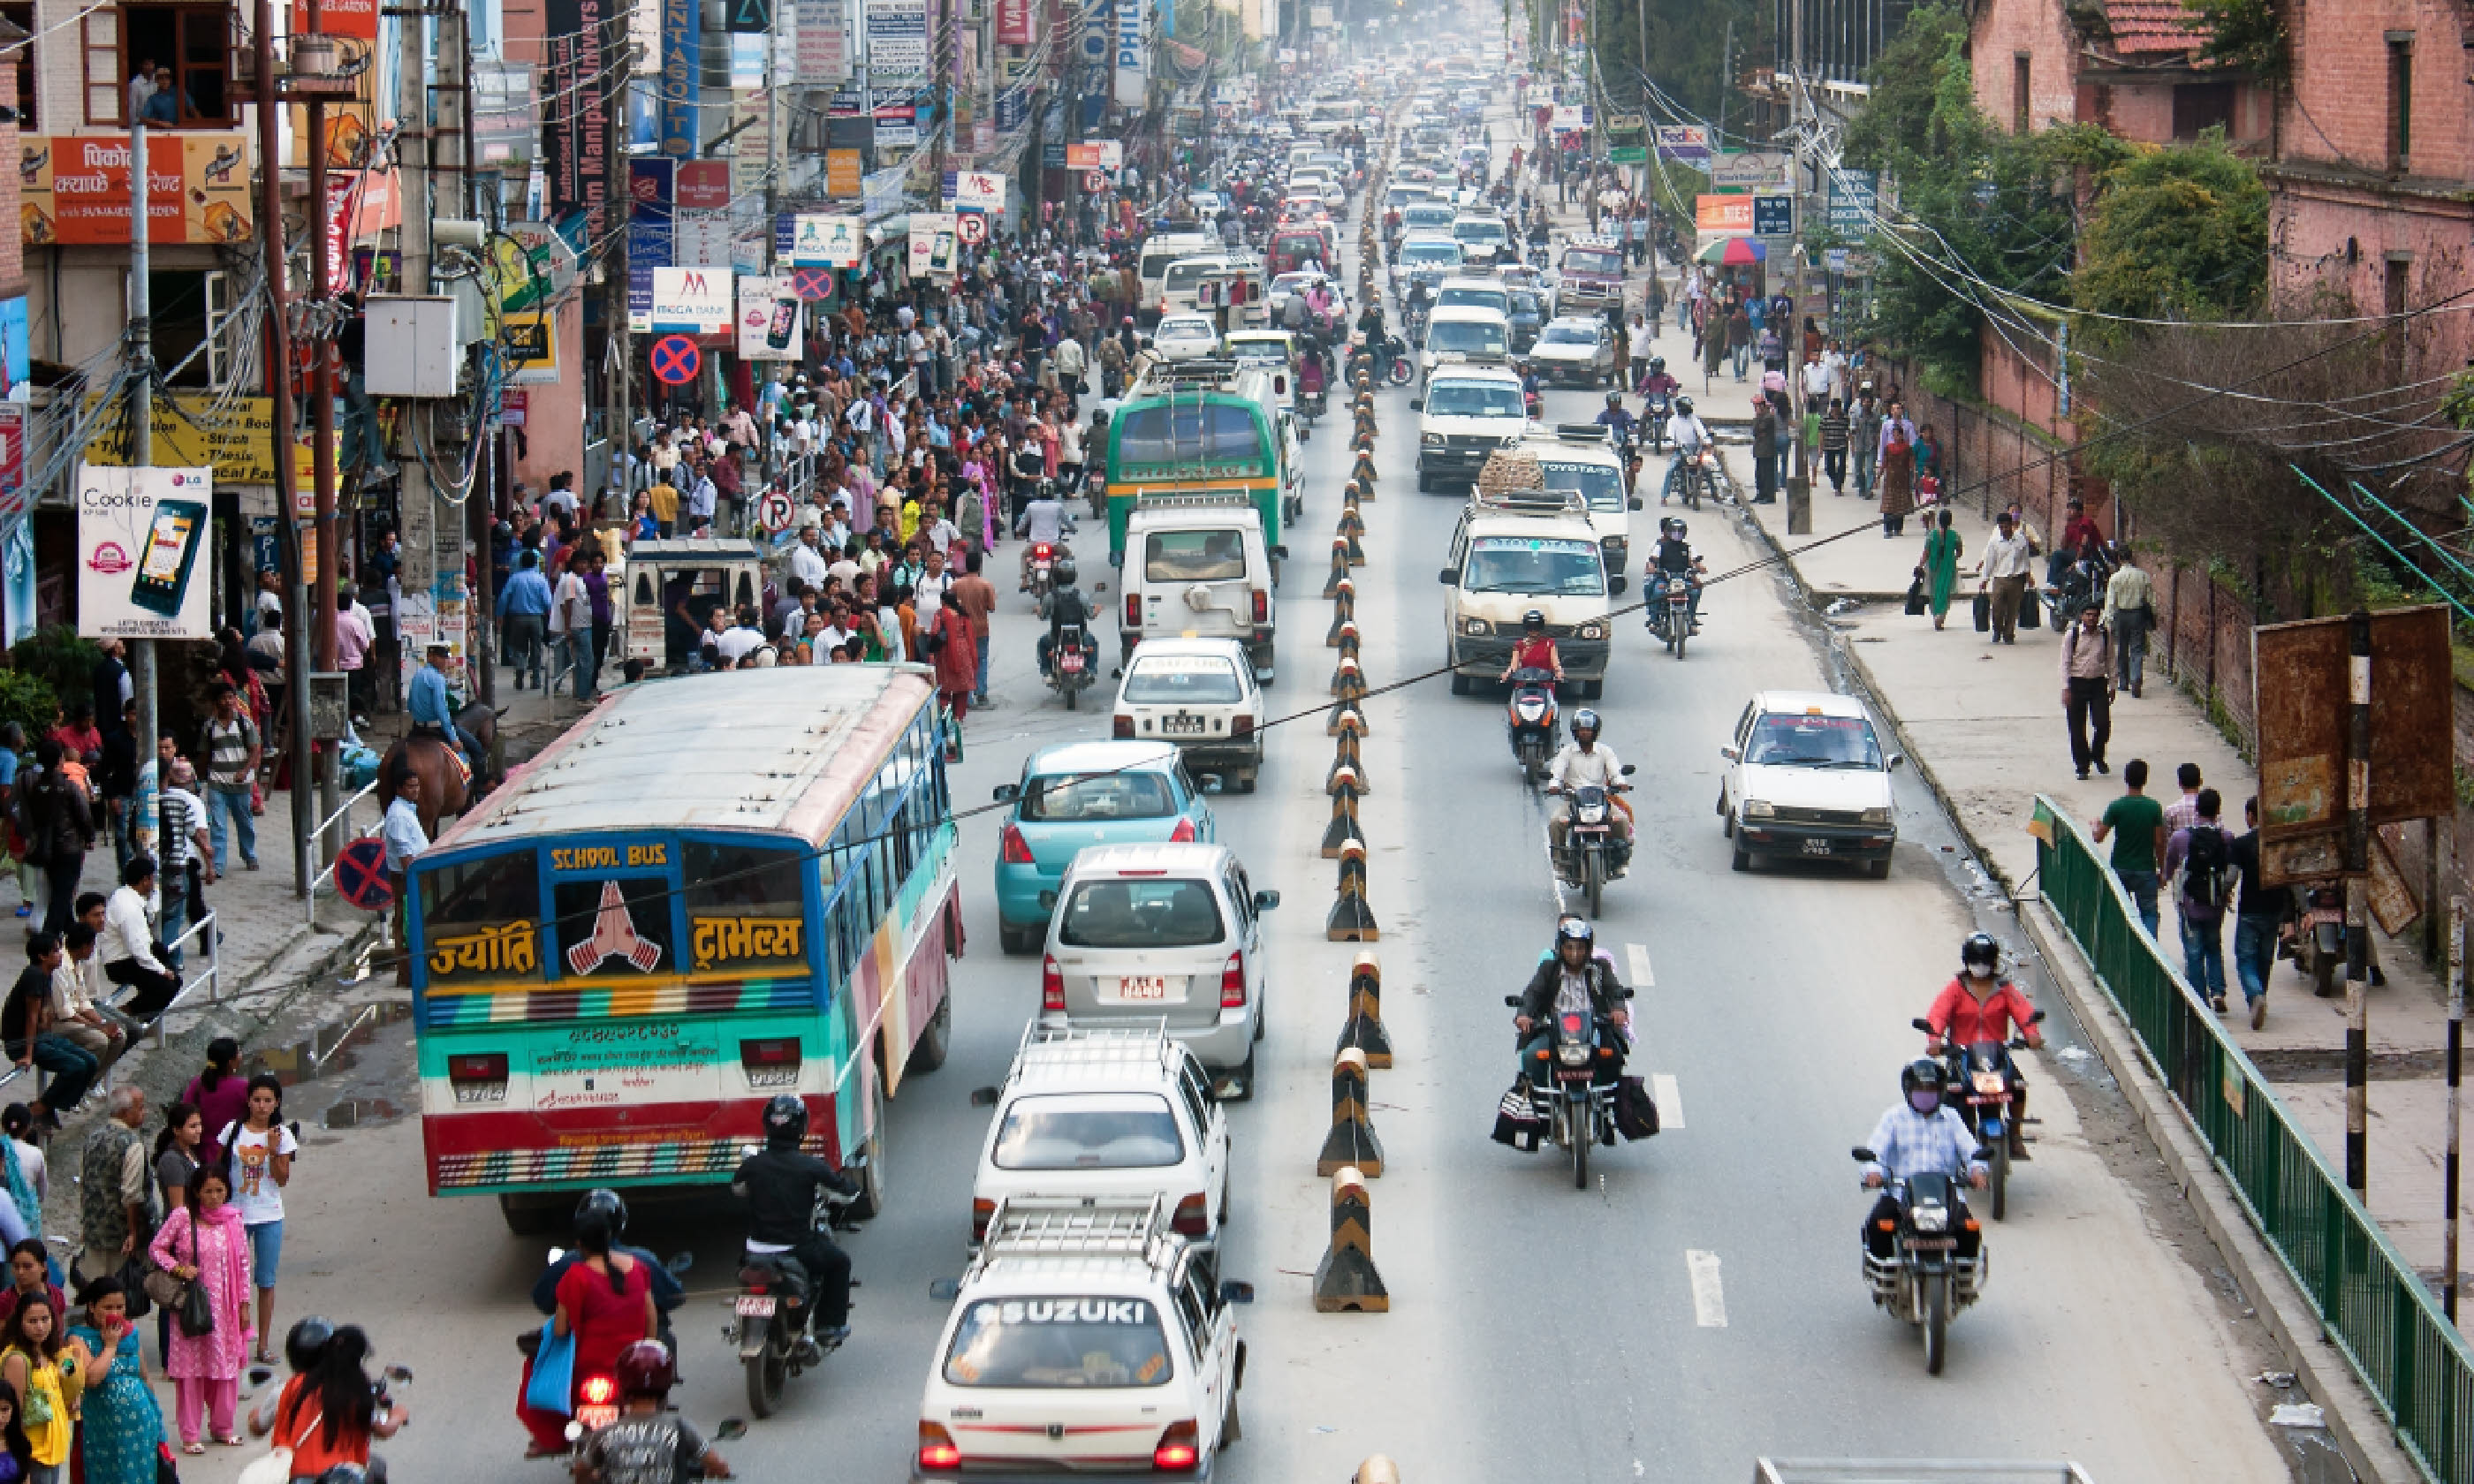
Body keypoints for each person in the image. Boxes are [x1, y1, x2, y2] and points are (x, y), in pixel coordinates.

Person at [517, 1192, 655, 1456]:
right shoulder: (638, 1268)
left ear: (579, 1244)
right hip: (631, 1364)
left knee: (535, 1367)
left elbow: (560, 1330)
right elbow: (650, 1315)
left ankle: (553, 1439)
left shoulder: (576, 1275)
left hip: (589, 1366)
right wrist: (645, 1349)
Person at [730, 1095, 859, 1352]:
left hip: (755, 1250)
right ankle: (829, 1326)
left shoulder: (752, 1165)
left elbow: (738, 1189)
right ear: (801, 1128)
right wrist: (852, 1186)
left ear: (768, 1125)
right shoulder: (811, 1167)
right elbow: (846, 1193)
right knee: (839, 1262)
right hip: (797, 1247)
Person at [148, 1166, 253, 1453]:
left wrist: (244, 1305)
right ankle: (190, 1434)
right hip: (191, 1308)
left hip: (226, 1310)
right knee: (191, 1372)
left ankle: (223, 1428)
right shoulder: (182, 1217)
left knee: (225, 1369)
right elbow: (156, 1249)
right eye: (208, 1191)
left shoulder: (233, 1221)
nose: (215, 1197)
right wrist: (179, 1269)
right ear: (196, 1192)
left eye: (220, 1190)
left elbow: (243, 1265)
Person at [1922, 932, 2044, 1157]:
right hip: (1962, 1056)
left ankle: (2015, 1137)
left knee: (2017, 1086)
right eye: (1976, 961)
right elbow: (1938, 1014)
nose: (1980, 966)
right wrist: (1935, 1039)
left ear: (1993, 962)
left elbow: (2023, 1011)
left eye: (1985, 961)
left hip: (1995, 1056)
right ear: (1967, 961)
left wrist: (2032, 1033)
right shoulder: (1956, 989)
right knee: (1953, 1094)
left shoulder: (2004, 988)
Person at [1859, 1060, 1987, 1261]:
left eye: (1932, 1089)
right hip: (1900, 1194)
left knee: (1969, 1232)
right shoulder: (1894, 1118)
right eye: (1920, 1089)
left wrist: (1977, 1171)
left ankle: (1963, 1286)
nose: (1926, 1094)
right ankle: (1884, 1283)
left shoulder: (1951, 1118)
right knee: (1877, 1226)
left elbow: (1972, 1151)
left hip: (1946, 1196)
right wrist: (1874, 1173)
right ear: (1908, 1090)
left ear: (1941, 1091)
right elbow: (1875, 1152)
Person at [574, 1340, 732, 1483]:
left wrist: (593, 1477)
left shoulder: (604, 1434)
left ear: (622, 1384)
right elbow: (716, 1464)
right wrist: (719, 1470)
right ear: (667, 1383)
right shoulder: (680, 1428)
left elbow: (581, 1471)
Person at [221, 1075, 295, 1364]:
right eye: (256, 1100)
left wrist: (274, 1150)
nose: (262, 1106)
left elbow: (282, 1178)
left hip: (269, 1215)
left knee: (265, 1281)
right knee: (232, 1282)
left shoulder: (282, 1134)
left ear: (276, 1103)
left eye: (268, 1100)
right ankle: (234, 1341)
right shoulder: (233, 1130)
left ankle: (262, 1345)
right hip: (234, 1215)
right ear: (248, 1101)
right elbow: (220, 1168)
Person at [267, 1323, 402, 1477]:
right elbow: (383, 1429)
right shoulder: (356, 1391)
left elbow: (277, 1429)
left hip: (290, 1473)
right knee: (377, 1466)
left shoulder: (295, 1384)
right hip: (340, 1476)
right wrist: (399, 1414)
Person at [1511, 919, 1631, 1090]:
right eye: (1570, 947)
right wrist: (1523, 1014)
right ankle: (1538, 1101)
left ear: (1588, 949)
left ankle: (1609, 1100)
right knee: (1531, 1056)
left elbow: (1614, 990)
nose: (1575, 953)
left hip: (1594, 1030)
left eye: (1580, 947)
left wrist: (1619, 1009)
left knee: (1614, 1055)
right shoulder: (1549, 968)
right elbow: (1532, 993)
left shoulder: (1600, 968)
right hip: (1553, 1031)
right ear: (1561, 947)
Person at [2, 939, 93, 1131]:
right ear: (43, 956)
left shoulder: (48, 973)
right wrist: (27, 1054)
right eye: (56, 951)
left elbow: (44, 1015)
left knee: (90, 1061)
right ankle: (39, 1109)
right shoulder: (34, 976)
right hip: (22, 1042)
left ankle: (50, 1106)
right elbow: (31, 1019)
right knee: (75, 1066)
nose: (60, 954)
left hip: (42, 1037)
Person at [2164, 787, 2236, 1013]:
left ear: (2197, 809)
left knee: (2193, 951)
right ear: (2218, 810)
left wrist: (2164, 878)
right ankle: (2217, 991)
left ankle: (2198, 1000)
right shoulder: (2226, 837)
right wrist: (2225, 890)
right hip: (2215, 902)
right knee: (2214, 945)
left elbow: (2170, 864)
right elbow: (2231, 869)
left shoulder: (2181, 837)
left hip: (2190, 903)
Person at [77, 1086, 149, 1292]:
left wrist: (85, 1223)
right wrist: (133, 1232)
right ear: (126, 1112)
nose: (144, 1112)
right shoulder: (132, 1144)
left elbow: (84, 1183)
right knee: (117, 1294)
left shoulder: (92, 1138)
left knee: (94, 1291)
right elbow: (132, 1193)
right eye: (140, 1108)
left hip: (94, 1231)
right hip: (119, 1235)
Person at [0, 1289, 75, 1483]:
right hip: (33, 1452)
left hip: (54, 1451)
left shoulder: (47, 1352)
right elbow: (14, 1414)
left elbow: (67, 1376)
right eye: (32, 1321)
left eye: (45, 1319)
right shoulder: (17, 1359)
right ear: (19, 1323)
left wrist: (74, 1382)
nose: (40, 1327)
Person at [1543, 709, 1632, 867]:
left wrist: (1620, 783)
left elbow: (1615, 772)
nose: (1585, 733)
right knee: (1556, 822)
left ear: (1595, 732)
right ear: (1575, 732)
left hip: (1601, 800)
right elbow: (1556, 773)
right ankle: (1560, 862)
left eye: (1588, 730)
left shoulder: (1605, 751)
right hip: (1574, 801)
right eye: (1581, 730)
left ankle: (1620, 861)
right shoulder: (1566, 752)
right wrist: (1554, 786)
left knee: (1622, 821)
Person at [2229, 797, 2288, 1031]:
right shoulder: (2279, 843)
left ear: (2251, 816)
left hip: (2249, 911)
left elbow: (2232, 876)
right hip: (2274, 909)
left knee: (2245, 958)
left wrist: (2223, 893)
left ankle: (2255, 994)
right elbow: (2292, 879)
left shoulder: (2241, 845)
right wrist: (2303, 910)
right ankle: (2260, 996)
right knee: (2265, 958)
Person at [19, 743, 89, 938]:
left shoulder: (33, 786)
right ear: (61, 761)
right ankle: (49, 937)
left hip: (45, 847)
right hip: (68, 847)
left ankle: (72, 931)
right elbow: (84, 815)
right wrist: (90, 836)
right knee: (62, 893)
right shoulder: (67, 786)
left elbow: (26, 815)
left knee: (60, 890)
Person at [2092, 759, 2167, 938]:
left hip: (2120, 867)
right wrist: (2162, 869)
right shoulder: (2154, 807)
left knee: (2120, 913)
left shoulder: (2116, 806)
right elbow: (2158, 842)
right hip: (2145, 868)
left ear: (2126, 779)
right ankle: (2150, 953)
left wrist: (2095, 824)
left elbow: (2098, 837)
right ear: (2145, 780)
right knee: (2149, 913)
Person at [99, 857, 177, 1018]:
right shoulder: (129, 908)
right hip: (120, 963)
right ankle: (126, 1012)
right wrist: (161, 970)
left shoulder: (124, 896)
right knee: (167, 986)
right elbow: (139, 950)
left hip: (129, 956)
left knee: (171, 971)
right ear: (145, 880)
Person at [406, 643, 488, 791]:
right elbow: (442, 712)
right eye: (442, 658)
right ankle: (479, 792)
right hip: (437, 729)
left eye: (446, 658)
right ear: (431, 658)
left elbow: (410, 705)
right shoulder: (437, 679)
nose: (446, 662)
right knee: (477, 750)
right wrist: (453, 738)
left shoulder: (417, 675)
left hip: (417, 728)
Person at [2059, 603, 2115, 780]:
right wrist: (2066, 688)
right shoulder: (2072, 635)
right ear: (2082, 616)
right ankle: (2082, 765)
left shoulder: (2105, 635)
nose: (2091, 618)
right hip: (2076, 684)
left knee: (2103, 723)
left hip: (2098, 684)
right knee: (2077, 727)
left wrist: (2113, 685)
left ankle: (2098, 755)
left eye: (2094, 615)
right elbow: (2065, 662)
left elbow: (2111, 660)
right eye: (2088, 615)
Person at [182, 1038, 250, 1169]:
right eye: (239, 1052)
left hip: (202, 1154)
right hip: (234, 1154)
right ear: (231, 1063)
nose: (241, 1055)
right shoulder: (243, 1088)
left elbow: (184, 1112)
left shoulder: (197, 1084)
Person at [2101, 547, 2154, 698]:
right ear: (2132, 557)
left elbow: (2111, 602)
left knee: (2122, 648)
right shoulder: (2143, 576)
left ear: (2119, 559)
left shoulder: (2115, 578)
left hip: (2121, 615)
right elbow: (2150, 599)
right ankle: (2136, 677)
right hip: (2137, 614)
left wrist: (2108, 620)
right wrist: (2152, 615)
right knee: (2137, 648)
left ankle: (2123, 682)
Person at [1979, 511, 2033, 646]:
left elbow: (2025, 560)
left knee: (2013, 608)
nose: (2004, 530)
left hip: (2016, 579)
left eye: (2006, 527)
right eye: (2001, 527)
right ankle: (1997, 630)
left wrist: (2028, 576)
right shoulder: (1994, 543)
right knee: (1997, 607)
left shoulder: (2021, 540)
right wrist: (1985, 579)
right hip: (1999, 579)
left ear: (2011, 526)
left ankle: (2009, 634)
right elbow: (1990, 562)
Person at [1646, 517, 1705, 632]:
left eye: (1680, 531)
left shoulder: (1689, 548)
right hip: (1665, 579)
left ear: (1684, 533)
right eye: (1674, 531)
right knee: (1657, 592)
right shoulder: (1660, 547)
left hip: (1684, 579)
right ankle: (1654, 620)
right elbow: (1652, 561)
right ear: (1668, 531)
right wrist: (1652, 568)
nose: (1677, 534)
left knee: (1695, 591)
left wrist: (1701, 568)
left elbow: (1697, 562)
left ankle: (1691, 617)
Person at [1660, 395, 1710, 505]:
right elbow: (1670, 435)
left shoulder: (1693, 418)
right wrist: (1672, 444)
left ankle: (1715, 492)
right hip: (1680, 449)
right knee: (1670, 470)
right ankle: (1664, 496)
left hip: (1694, 449)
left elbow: (1701, 431)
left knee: (1707, 468)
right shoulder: (1673, 421)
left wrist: (1706, 440)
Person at [1919, 510, 1962, 630]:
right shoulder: (1955, 536)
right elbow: (1959, 552)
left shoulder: (1932, 535)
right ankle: (1941, 616)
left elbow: (1926, 553)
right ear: (1950, 521)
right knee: (1945, 591)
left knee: (1933, 591)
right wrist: (1952, 558)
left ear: (1938, 520)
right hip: (1948, 567)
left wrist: (1920, 565)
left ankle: (1935, 615)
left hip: (1933, 567)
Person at [1499, 610, 1561, 685]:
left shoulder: (1549, 643)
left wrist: (1559, 672)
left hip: (1544, 685)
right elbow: (1513, 666)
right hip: (1524, 684)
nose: (1533, 630)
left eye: (1536, 627)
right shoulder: (1519, 644)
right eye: (1530, 627)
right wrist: (1507, 673)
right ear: (1526, 628)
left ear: (1540, 628)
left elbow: (1555, 664)